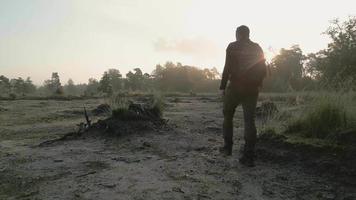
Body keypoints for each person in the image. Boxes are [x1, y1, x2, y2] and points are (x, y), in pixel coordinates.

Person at [219, 25, 267, 167]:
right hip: (252, 89)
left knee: (228, 115)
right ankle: (249, 156)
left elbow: (227, 67)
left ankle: (227, 148)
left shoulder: (232, 46)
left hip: (235, 87)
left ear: (237, 34)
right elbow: (263, 69)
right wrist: (258, 85)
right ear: (248, 34)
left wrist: (222, 87)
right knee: (249, 121)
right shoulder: (257, 47)